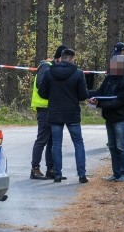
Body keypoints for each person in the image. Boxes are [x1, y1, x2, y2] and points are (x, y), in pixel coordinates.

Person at [37, 48, 89, 183]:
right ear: (72, 59)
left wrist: (53, 96)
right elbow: (83, 95)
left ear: (61, 58)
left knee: (56, 144)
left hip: (54, 112)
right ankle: (82, 174)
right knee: (78, 143)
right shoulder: (78, 73)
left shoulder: (49, 72)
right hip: (72, 113)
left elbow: (42, 93)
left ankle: (58, 175)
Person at [88, 55, 124, 182]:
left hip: (122, 117)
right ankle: (116, 173)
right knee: (112, 146)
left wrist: (99, 104)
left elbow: (119, 101)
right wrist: (86, 94)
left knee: (122, 146)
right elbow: (100, 92)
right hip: (109, 117)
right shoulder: (109, 78)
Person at [30, 45, 67, 180]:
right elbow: (41, 85)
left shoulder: (53, 67)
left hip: (53, 108)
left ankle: (50, 169)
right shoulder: (46, 67)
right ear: (58, 58)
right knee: (42, 140)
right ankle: (35, 169)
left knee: (52, 141)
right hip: (44, 108)